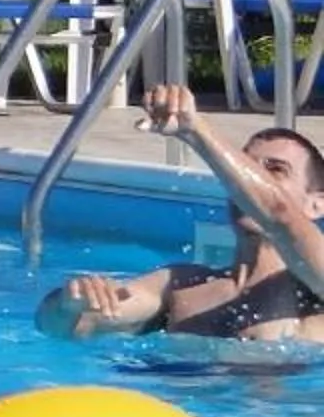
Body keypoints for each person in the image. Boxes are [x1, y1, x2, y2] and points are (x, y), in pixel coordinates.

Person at [38, 84, 324, 342]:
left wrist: (195, 129)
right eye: (243, 167)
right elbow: (65, 328)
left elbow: (278, 214)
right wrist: (67, 305)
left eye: (275, 170)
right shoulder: (181, 284)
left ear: (317, 204)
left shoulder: (315, 296)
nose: (246, 182)